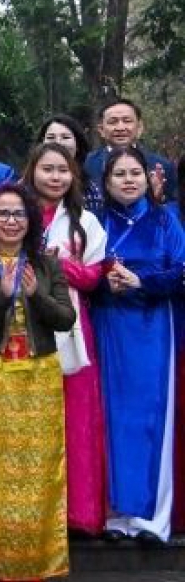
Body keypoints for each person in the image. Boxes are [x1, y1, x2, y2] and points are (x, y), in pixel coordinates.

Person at [0, 183, 75, 582]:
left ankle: (37, 566)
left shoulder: (46, 265)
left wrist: (33, 294)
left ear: (31, 221)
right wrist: (4, 296)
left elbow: (65, 319)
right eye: (3, 214)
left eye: (18, 214)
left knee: (41, 473)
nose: (10, 221)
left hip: (39, 376)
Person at [93, 146, 185, 544]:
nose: (129, 180)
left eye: (136, 173)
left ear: (149, 178)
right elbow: (78, 272)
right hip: (109, 325)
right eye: (119, 174)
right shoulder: (94, 222)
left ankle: (152, 519)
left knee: (152, 417)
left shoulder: (167, 220)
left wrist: (142, 281)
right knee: (111, 416)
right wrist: (103, 282)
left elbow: (181, 272)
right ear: (106, 181)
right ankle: (115, 515)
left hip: (152, 327)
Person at [22, 142, 109, 537]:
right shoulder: (15, 215)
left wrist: (59, 265)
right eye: (47, 169)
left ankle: (78, 514)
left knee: (75, 422)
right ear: (31, 172)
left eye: (63, 170)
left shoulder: (85, 221)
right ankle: (32, 512)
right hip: (21, 325)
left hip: (71, 326)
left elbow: (94, 277)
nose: (55, 177)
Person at [86, 98, 175, 206]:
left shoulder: (162, 166)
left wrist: (157, 200)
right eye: (113, 122)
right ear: (101, 130)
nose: (120, 127)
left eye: (127, 121)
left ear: (139, 127)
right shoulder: (86, 164)